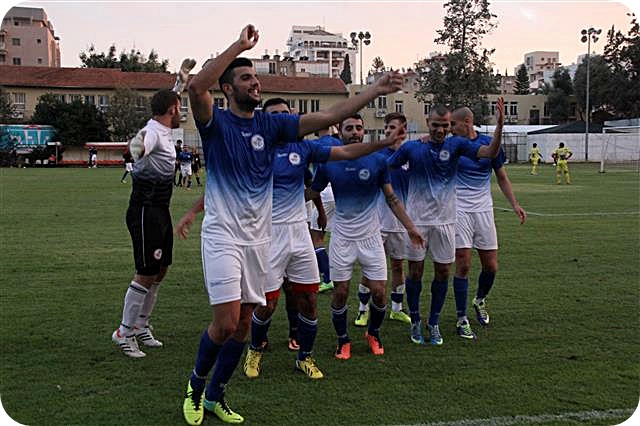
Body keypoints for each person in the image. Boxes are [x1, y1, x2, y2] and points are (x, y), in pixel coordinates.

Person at [175, 25, 406, 426]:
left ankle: (216, 395)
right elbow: (196, 87)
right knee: (226, 322)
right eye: (245, 78)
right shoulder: (216, 124)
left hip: (259, 239)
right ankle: (195, 386)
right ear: (227, 89)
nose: (255, 82)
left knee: (243, 325)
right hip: (223, 236)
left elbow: (331, 115)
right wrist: (238, 47)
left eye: (255, 76)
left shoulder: (272, 128)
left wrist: (376, 90)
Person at [242, 98, 406, 381]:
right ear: (265, 120)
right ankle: (254, 350)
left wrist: (383, 143)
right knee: (267, 304)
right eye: (274, 115)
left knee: (309, 299)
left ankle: (305, 357)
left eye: (285, 114)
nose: (281, 120)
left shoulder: (304, 148)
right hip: (270, 234)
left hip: (299, 234)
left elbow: (342, 155)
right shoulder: (254, 151)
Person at [387, 98, 505, 346]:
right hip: (418, 223)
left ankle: (434, 322)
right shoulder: (412, 148)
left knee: (443, 272)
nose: (440, 130)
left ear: (450, 125)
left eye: (445, 125)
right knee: (415, 272)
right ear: (427, 123)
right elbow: (385, 167)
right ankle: (416, 320)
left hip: (446, 222)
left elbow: (489, 153)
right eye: (436, 125)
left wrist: (500, 125)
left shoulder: (457, 145)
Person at [309, 113, 424, 361]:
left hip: (371, 238)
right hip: (342, 238)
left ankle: (373, 333)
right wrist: (278, 197)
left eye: (358, 128)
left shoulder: (377, 161)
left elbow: (392, 198)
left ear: (364, 132)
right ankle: (343, 340)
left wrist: (410, 227)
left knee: (379, 292)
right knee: (340, 292)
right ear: (340, 132)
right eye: (349, 128)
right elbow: (312, 192)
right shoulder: (329, 162)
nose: (354, 132)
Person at [111, 89, 183, 358]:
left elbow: (173, 93)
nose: (182, 112)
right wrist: (135, 150)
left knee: (160, 270)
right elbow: (138, 146)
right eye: (180, 107)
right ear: (172, 109)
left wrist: (182, 79)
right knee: (146, 271)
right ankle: (124, 332)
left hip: (161, 210)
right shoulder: (151, 132)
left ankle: (140, 325)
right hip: (145, 210)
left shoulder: (163, 130)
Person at [450, 106, 527, 337]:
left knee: (491, 266)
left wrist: (515, 204)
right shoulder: (453, 145)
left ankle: (480, 299)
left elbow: (501, 176)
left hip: (483, 210)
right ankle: (461, 318)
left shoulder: (486, 143)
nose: (450, 129)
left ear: (467, 121)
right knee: (463, 264)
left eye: (453, 124)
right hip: (459, 209)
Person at [354, 112, 412, 327]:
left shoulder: (410, 156)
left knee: (398, 266)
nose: (388, 130)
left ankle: (397, 309)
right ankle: (363, 310)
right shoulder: (378, 155)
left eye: (392, 127)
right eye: (387, 127)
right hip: (376, 222)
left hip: (401, 223)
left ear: (403, 130)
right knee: (370, 267)